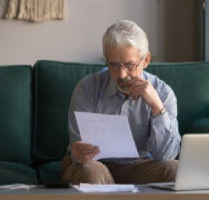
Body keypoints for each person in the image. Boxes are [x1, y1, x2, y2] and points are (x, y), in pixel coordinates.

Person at [61, 20, 181, 184]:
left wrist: (156, 107)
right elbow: (78, 149)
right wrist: (79, 152)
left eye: (130, 65)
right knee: (91, 171)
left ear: (145, 60)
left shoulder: (163, 93)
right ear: (107, 60)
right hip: (95, 165)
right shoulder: (87, 88)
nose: (122, 74)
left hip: (140, 166)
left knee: (175, 170)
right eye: (114, 65)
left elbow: (166, 155)